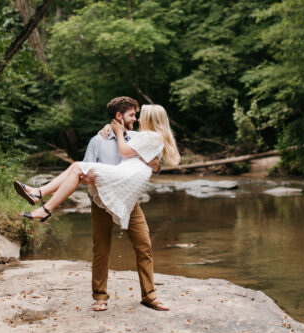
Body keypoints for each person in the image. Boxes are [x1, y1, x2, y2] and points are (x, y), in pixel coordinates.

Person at [14, 97, 180, 312]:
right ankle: (100, 297)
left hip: (128, 199)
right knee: (101, 249)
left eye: (137, 115)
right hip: (101, 199)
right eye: (131, 114)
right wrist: (89, 179)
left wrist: (155, 161)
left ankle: (149, 296)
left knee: (144, 246)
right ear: (118, 117)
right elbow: (82, 175)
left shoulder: (136, 137)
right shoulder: (98, 141)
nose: (136, 118)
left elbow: (154, 165)